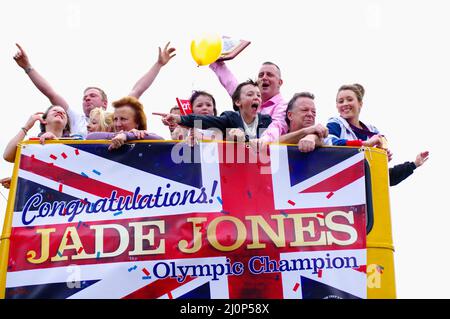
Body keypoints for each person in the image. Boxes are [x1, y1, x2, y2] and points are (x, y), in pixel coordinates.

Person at [13, 42, 176, 137]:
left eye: (92, 95)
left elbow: (137, 90)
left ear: (105, 102)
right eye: (84, 97)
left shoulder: (116, 117)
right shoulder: (76, 118)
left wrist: (159, 64)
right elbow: (50, 92)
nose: (87, 99)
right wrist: (27, 67)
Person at [158, 80, 271, 142]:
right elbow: (204, 121)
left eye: (259, 95)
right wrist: (179, 118)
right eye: (250, 94)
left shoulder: (267, 120)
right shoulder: (230, 118)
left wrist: (244, 140)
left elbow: (275, 140)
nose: (256, 97)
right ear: (237, 102)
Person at [210, 60, 287, 142]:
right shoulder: (247, 98)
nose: (264, 77)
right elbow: (231, 83)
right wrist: (216, 61)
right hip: (241, 152)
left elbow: (277, 126)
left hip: (267, 152)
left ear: (280, 82)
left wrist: (262, 141)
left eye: (269, 74)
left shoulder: (283, 106)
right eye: (261, 75)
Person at [324, 83, 387, 150]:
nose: (345, 104)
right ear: (337, 106)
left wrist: (383, 153)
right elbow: (329, 142)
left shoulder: (372, 129)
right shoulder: (336, 122)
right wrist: (365, 144)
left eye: (350, 100)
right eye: (341, 101)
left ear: (360, 104)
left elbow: (380, 151)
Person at [86, 96, 163, 150]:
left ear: (137, 123)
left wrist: (128, 136)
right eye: (115, 119)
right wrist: (121, 135)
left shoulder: (145, 138)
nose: (118, 124)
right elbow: (90, 137)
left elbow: (160, 140)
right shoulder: (108, 138)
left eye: (123, 119)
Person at [3, 105, 73, 163]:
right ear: (44, 120)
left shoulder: (76, 143)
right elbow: (8, 156)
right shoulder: (32, 144)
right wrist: (27, 126)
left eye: (64, 113)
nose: (60, 112)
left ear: (66, 125)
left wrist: (55, 141)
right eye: (54, 110)